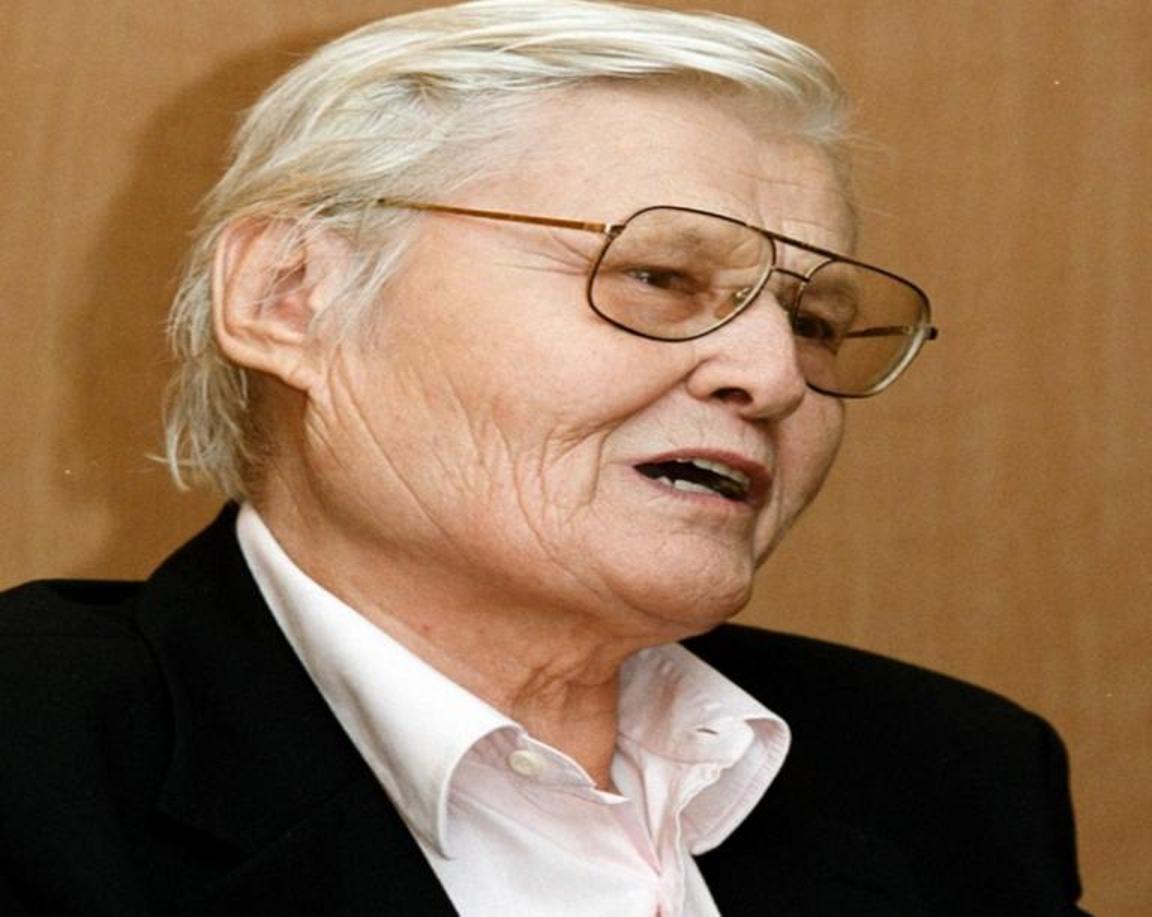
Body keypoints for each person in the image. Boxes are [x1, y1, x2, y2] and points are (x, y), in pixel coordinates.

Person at [0, 1, 1085, 914]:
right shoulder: (31, 754)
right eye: (661, 277)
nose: (774, 376)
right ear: (291, 295)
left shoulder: (951, 776)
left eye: (813, 322)